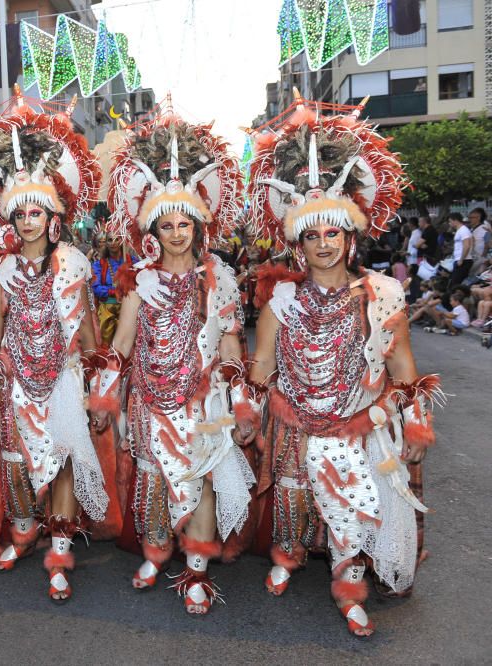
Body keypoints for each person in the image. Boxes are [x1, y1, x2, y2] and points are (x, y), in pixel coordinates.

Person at [244, 93, 440, 637]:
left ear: (350, 236)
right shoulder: (279, 299)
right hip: (294, 419)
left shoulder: (383, 292)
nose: (324, 244)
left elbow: (402, 361)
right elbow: (261, 365)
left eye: (333, 233)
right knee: (291, 493)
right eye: (312, 235)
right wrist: (244, 410)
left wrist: (417, 419)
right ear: (298, 245)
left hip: (359, 422)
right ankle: (285, 556)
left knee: (353, 505)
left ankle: (349, 586)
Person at [97, 109, 254, 614]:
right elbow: (122, 342)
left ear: (199, 225)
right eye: (167, 225)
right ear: (153, 231)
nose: (177, 233)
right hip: (149, 397)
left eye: (184, 223)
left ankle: (197, 570)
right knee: (154, 479)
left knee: (202, 479)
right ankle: (157, 551)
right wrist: (103, 391)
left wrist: (242, 402)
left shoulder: (221, 277)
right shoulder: (138, 279)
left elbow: (230, 343)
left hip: (205, 399)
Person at [0, 92, 111, 603]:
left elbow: (90, 334)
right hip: (16, 383)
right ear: (10, 222)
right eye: (19, 214)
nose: (27, 221)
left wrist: (98, 389)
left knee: (66, 460)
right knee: (15, 462)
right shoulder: (2, 270)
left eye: (36, 212)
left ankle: (58, 552)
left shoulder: (74, 262)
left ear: (52, 216)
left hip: (65, 379)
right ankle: (24, 532)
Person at [91, 232, 124, 345]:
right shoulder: (99, 264)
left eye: (117, 239)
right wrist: (113, 292)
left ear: (122, 240)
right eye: (110, 240)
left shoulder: (131, 261)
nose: (113, 243)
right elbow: (96, 287)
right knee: (105, 346)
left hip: (127, 310)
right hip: (106, 310)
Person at [448, 212, 473, 286]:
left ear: (455, 220)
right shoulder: (459, 230)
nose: (449, 223)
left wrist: (461, 259)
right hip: (460, 260)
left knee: (456, 284)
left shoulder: (463, 230)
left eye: (450, 221)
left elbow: (466, 246)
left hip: (463, 260)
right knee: (455, 283)